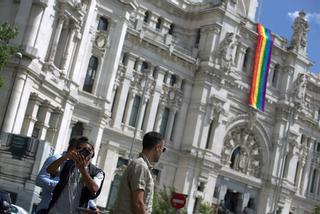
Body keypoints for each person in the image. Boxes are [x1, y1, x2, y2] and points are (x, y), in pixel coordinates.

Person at [46, 136, 105, 214]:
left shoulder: (97, 172)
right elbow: (50, 170)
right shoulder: (68, 164)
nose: (83, 152)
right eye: (80, 149)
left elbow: (94, 188)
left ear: (92, 153)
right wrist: (66, 156)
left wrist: (82, 169)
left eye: (87, 150)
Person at [113, 131, 166, 214]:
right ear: (158, 147)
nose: (162, 153)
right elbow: (137, 203)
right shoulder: (140, 166)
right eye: (163, 149)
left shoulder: (141, 165)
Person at [35, 137, 79, 213]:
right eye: (81, 150)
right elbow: (39, 180)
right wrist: (61, 185)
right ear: (73, 149)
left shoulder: (78, 167)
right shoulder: (55, 159)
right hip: (47, 208)